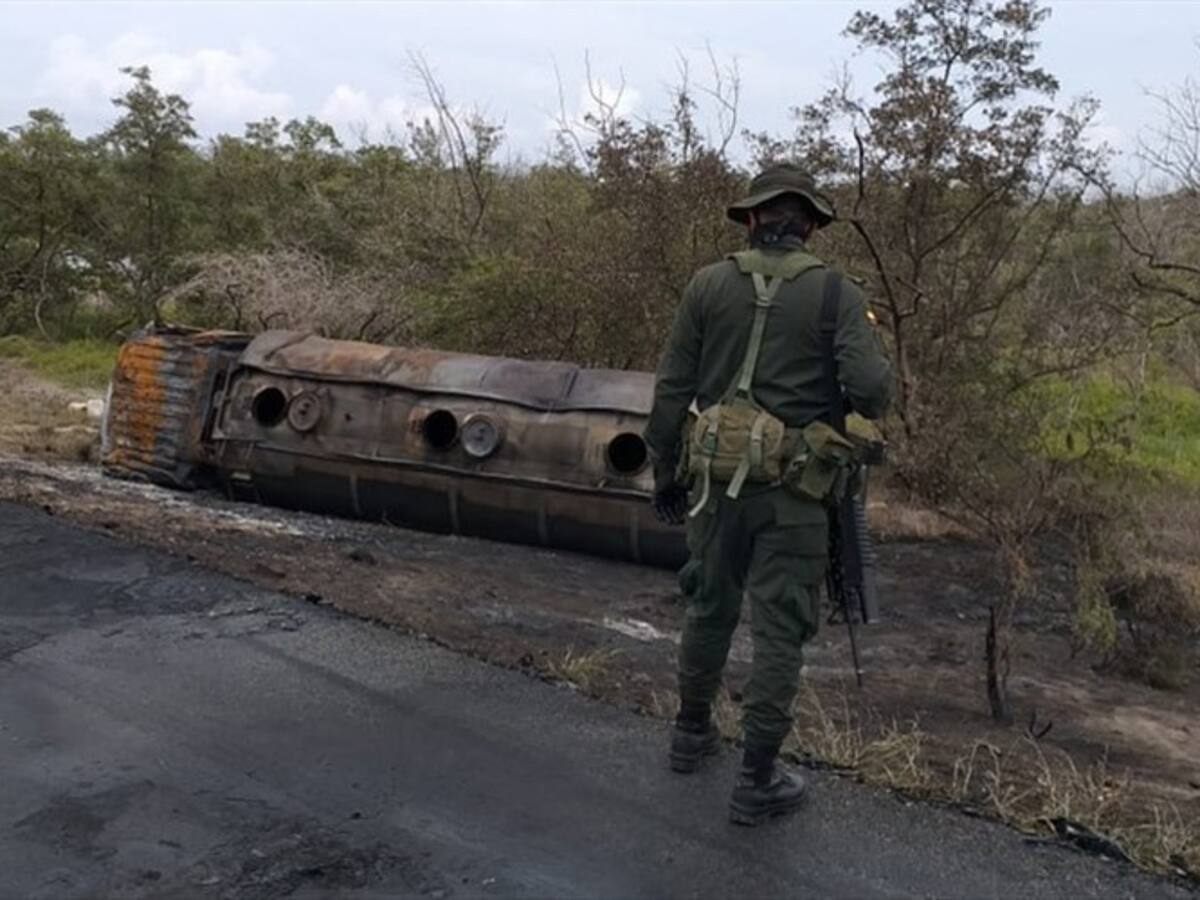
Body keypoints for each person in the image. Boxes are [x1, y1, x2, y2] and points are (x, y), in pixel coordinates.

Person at [643, 162, 892, 826]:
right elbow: (874, 393)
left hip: (712, 488)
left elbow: (671, 390)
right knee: (781, 627)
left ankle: (691, 736)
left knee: (708, 606)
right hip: (794, 496)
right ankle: (757, 779)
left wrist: (664, 473)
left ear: (752, 218)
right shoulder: (837, 294)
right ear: (810, 225)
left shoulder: (706, 285)